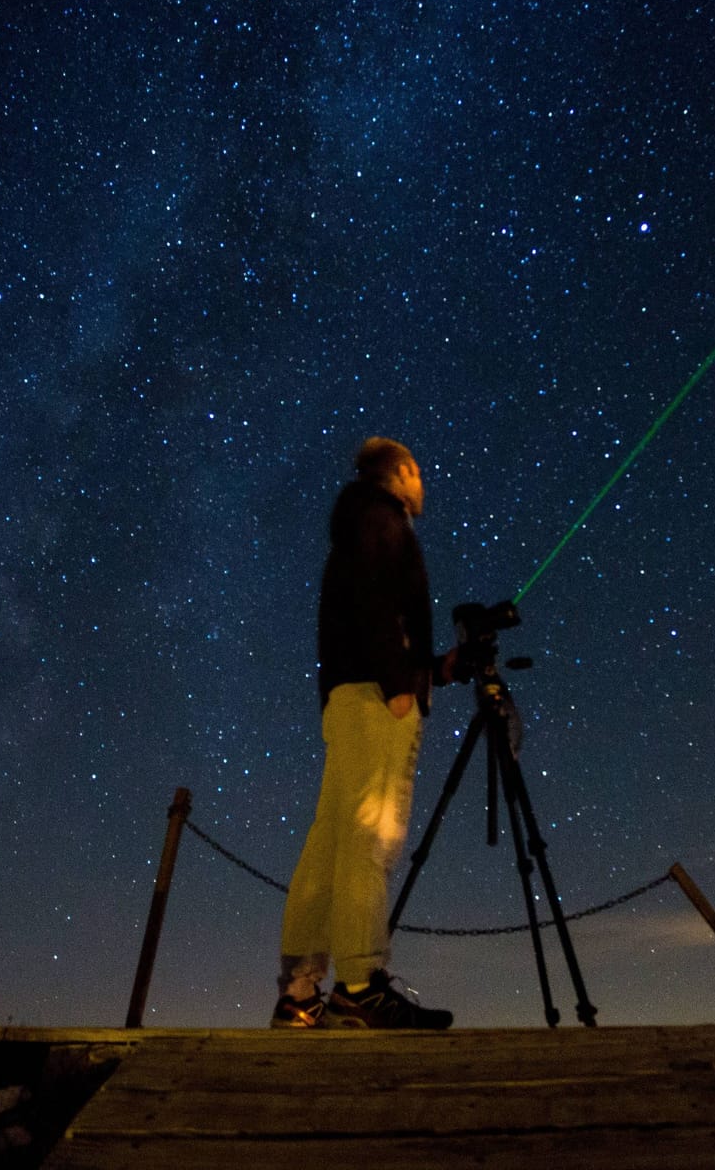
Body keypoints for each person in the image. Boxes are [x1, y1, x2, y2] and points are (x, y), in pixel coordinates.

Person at [272, 437, 459, 1029]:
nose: (424, 485)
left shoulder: (356, 521)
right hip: (375, 696)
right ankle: (359, 986)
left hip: (351, 696)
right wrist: (397, 680)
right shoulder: (380, 518)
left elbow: (367, 605)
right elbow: (375, 599)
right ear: (401, 472)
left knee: (330, 842)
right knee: (368, 837)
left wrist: (431, 669)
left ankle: (300, 993)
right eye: (420, 472)